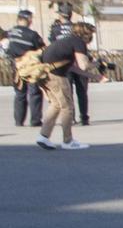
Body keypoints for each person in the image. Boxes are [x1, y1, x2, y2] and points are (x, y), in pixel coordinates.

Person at [30, 20, 96, 151]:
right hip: (57, 76)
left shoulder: (67, 41)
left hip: (44, 74)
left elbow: (73, 67)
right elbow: (83, 65)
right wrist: (96, 64)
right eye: (91, 34)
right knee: (67, 107)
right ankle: (68, 140)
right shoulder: (78, 42)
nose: (91, 38)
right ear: (86, 33)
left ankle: (43, 136)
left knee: (56, 105)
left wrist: (94, 76)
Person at [50, 4, 90, 126]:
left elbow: (53, 45)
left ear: (61, 15)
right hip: (79, 60)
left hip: (65, 64)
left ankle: (71, 117)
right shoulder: (77, 28)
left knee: (68, 92)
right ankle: (84, 117)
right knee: (82, 91)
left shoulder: (55, 29)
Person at [7, 10, 45, 128]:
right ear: (28, 19)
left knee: (19, 93)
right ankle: (35, 121)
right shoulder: (32, 34)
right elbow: (42, 48)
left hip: (15, 65)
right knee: (34, 93)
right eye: (30, 19)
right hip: (30, 66)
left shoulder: (11, 32)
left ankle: (19, 121)